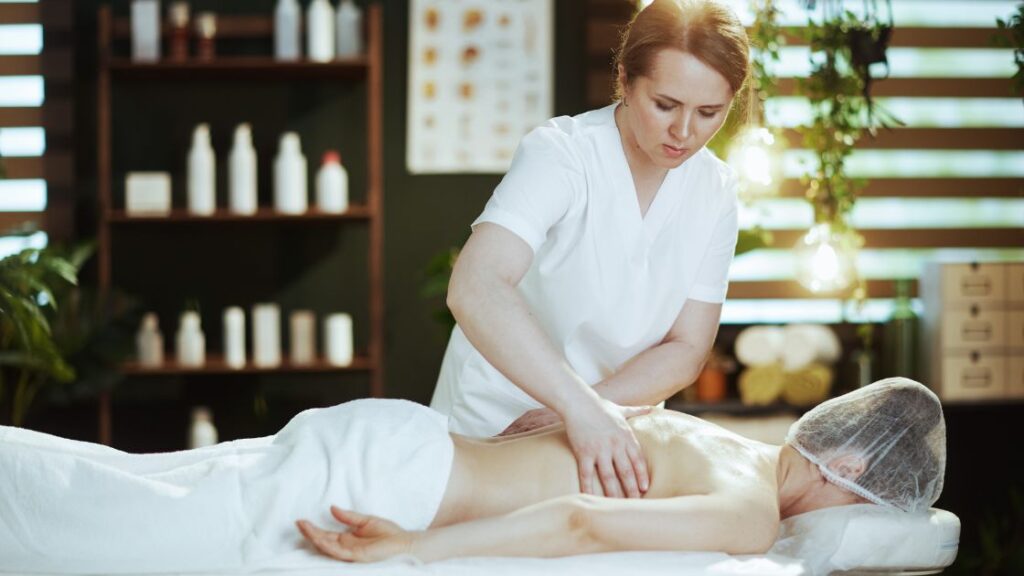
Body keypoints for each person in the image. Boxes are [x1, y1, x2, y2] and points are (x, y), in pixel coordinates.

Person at [0, 378, 945, 572]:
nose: (835, 511)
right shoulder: (747, 512)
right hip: (397, 490)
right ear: (851, 461)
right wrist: (416, 548)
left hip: (391, 438)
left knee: (126, 486)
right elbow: (581, 520)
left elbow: (571, 428)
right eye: (858, 498)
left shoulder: (714, 436)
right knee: (99, 531)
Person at [431, 0, 749, 502]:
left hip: (611, 425)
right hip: (500, 417)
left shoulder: (715, 189)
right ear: (624, 80)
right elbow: (476, 285)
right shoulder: (563, 155)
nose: (684, 133)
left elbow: (687, 346)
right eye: (665, 104)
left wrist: (588, 409)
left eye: (709, 112)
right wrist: (576, 407)